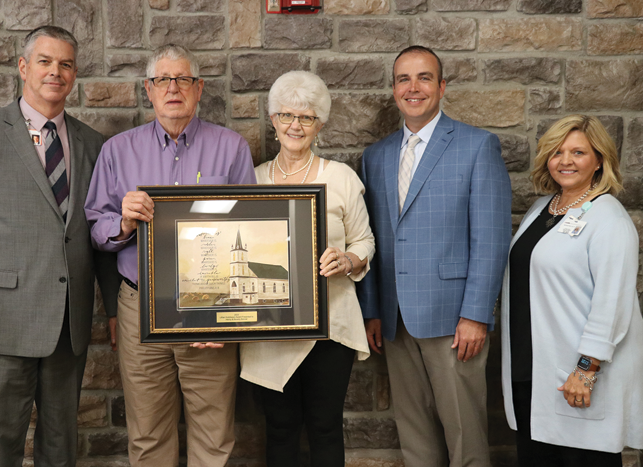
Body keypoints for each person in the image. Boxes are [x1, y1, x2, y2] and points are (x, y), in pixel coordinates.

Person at [0, 26, 116, 466]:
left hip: (68, 327)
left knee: (61, 449)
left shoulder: (92, 144)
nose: (54, 72)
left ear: (74, 74)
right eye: (44, 61)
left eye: (65, 64)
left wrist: (114, 312)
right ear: (23, 67)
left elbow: (101, 237)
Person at [84, 45, 256, 466]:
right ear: (149, 89)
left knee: (214, 434)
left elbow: (249, 231)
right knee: (147, 435)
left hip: (211, 307)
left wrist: (230, 320)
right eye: (163, 80)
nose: (173, 88)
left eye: (183, 79)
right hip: (139, 304)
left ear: (199, 89)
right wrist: (124, 223)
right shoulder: (117, 151)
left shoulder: (231, 148)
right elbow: (96, 229)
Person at [357, 45, 512, 466]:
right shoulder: (375, 156)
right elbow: (368, 237)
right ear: (393, 90)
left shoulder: (477, 146)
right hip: (395, 320)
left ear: (441, 87)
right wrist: (372, 309)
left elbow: (492, 237)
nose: (414, 87)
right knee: (415, 437)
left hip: (454, 320)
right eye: (404, 79)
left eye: (424, 77)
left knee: (466, 434)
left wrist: (476, 314)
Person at [239, 70, 375, 467]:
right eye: (286, 116)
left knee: (325, 424)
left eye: (307, 117)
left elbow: (365, 242)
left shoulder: (342, 178)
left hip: (330, 323)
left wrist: (348, 259)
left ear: (320, 124)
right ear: (273, 120)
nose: (295, 125)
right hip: (268, 323)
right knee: (279, 426)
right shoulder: (252, 179)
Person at [501, 115, 643, 466]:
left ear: (599, 160)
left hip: (577, 377)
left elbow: (613, 303)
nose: (565, 161)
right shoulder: (542, 210)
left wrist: (586, 367)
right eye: (557, 152)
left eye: (578, 152)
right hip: (531, 369)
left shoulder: (609, 218)